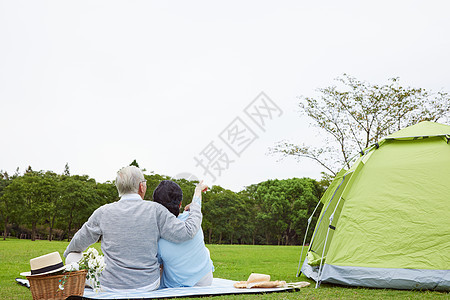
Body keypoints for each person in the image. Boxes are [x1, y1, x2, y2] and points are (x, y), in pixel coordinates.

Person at [63, 166, 203, 292]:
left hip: (108, 285)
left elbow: (79, 241)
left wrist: (67, 256)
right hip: (148, 284)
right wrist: (195, 204)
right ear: (142, 187)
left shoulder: (103, 212)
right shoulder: (156, 210)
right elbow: (187, 231)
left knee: (71, 257)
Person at [154, 180, 214, 288]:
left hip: (175, 285)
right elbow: (196, 206)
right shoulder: (192, 219)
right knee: (206, 251)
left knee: (160, 262)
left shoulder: (158, 233)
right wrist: (197, 191)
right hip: (205, 281)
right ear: (180, 204)